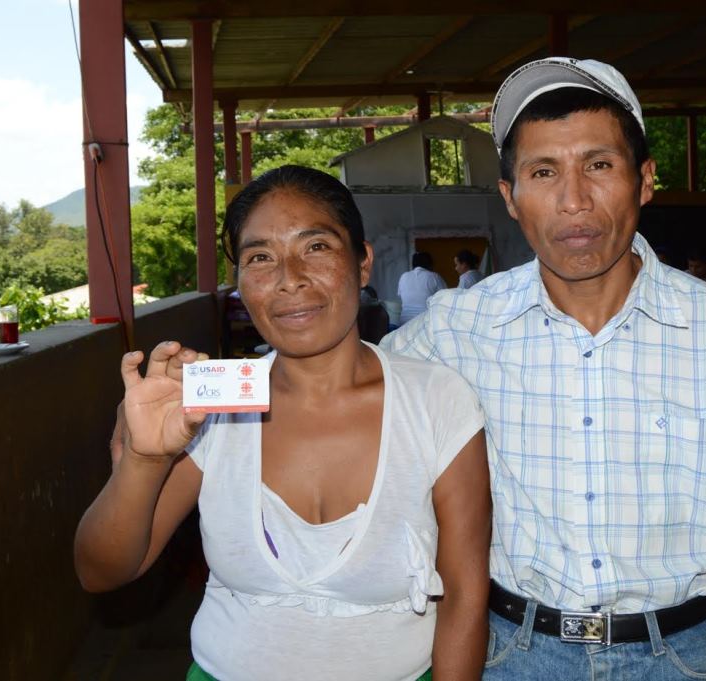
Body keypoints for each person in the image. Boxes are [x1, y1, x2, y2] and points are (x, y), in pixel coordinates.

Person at [383, 57, 706, 681]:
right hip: (514, 654)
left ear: (645, 180)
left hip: (683, 657)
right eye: (544, 172)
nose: (574, 200)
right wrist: (212, 382)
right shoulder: (455, 330)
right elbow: (333, 382)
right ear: (511, 199)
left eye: (599, 165)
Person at [74, 166, 492, 681]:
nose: (288, 278)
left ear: (363, 263)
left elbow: (466, 597)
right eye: (260, 257)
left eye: (315, 247)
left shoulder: (436, 399)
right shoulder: (213, 403)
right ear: (240, 284)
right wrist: (144, 459)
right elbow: (102, 571)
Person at [398, 251, 447, 324]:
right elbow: (446, 298)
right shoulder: (434, 277)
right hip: (426, 322)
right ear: (429, 264)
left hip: (404, 323)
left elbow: (400, 295)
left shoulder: (404, 276)